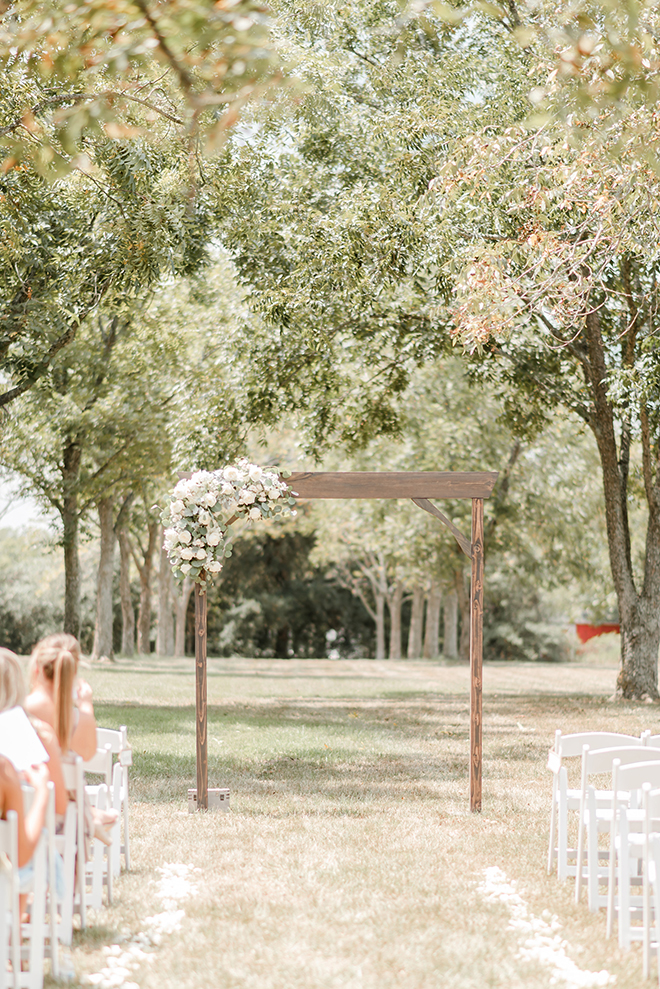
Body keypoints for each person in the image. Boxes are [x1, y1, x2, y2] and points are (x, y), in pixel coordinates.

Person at [25, 634, 117, 845]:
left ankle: (92, 817)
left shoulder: (18, 711)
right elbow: (88, 753)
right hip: (65, 827)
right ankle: (91, 818)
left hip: (18, 818)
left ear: (37, 669)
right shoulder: (77, 719)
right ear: (72, 672)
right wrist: (86, 706)